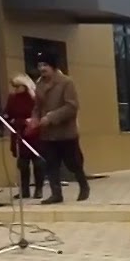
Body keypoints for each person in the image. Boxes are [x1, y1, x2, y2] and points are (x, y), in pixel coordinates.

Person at [31, 52, 88, 205]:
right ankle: (56, 194)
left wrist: (51, 117)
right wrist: (35, 118)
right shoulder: (39, 84)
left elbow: (72, 106)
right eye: (39, 65)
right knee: (51, 164)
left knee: (73, 162)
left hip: (65, 132)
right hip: (47, 134)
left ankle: (83, 185)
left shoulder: (66, 82)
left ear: (53, 66)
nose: (42, 69)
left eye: (45, 65)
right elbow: (37, 106)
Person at [4, 74, 43, 200]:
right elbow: (8, 114)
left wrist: (32, 121)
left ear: (25, 86)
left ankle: (39, 189)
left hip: (34, 133)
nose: (15, 89)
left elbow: (41, 113)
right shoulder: (12, 98)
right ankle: (24, 190)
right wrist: (10, 119)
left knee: (38, 163)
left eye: (17, 86)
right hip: (19, 133)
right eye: (13, 86)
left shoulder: (34, 98)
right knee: (23, 164)